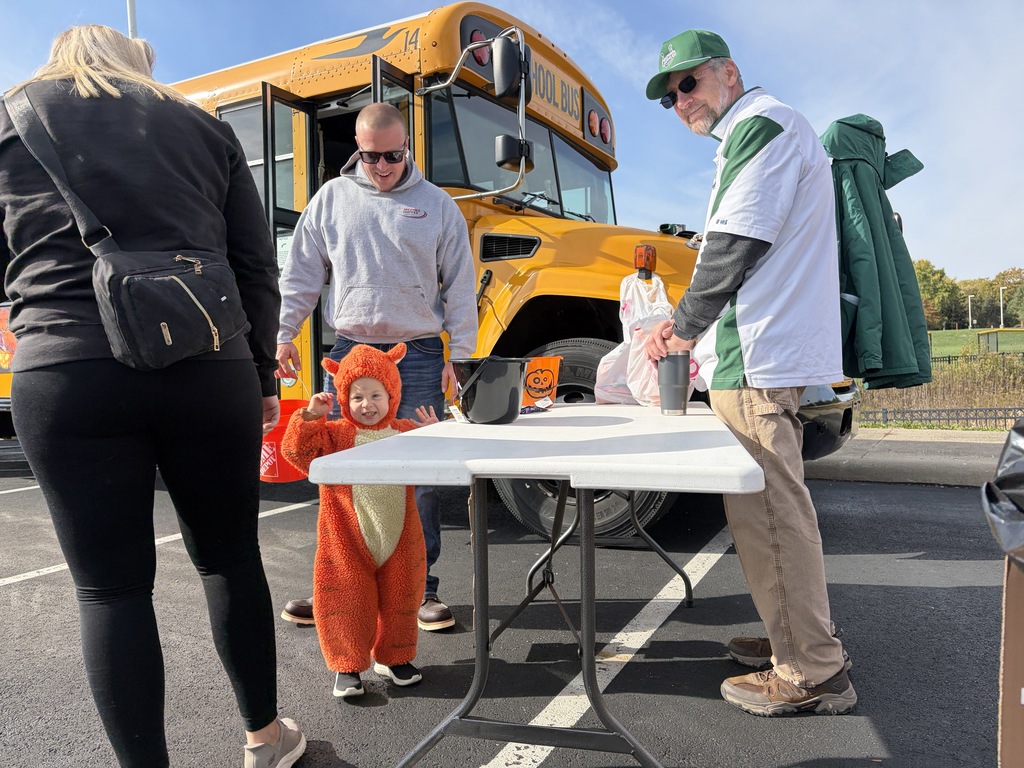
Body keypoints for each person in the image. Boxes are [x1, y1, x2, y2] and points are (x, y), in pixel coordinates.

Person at [0, 25, 305, 767]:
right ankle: (265, 739)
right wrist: (263, 376)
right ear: (142, 64)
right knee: (230, 557)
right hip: (207, 361)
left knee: (110, 591)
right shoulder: (202, 126)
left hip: (66, 367)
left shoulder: (11, 119)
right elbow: (255, 265)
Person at [642, 29, 857, 717]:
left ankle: (812, 670)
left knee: (768, 512)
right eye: (670, 95)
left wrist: (680, 327)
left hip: (756, 354)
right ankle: (794, 638)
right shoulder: (766, 130)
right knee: (775, 508)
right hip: (764, 351)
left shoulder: (760, 126)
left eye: (689, 83)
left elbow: (734, 244)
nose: (681, 100)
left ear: (727, 74)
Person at [276, 102, 478, 633]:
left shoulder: (436, 205)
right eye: (371, 157)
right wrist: (281, 334)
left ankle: (419, 591)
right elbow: (300, 273)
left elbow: (459, 283)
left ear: (406, 147)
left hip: (416, 354)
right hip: (349, 352)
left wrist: (459, 356)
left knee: (418, 477)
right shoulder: (332, 200)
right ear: (357, 151)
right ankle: (337, 586)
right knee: (339, 471)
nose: (383, 167)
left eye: (392, 155)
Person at [281, 344, 438, 698]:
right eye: (357, 397)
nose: (367, 405)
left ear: (392, 394)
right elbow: (298, 453)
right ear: (343, 398)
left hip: (399, 537)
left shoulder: (405, 431)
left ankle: (395, 656)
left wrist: (432, 433)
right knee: (346, 601)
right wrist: (310, 417)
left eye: (376, 395)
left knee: (403, 597)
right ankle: (347, 665)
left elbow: (436, 463)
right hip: (347, 540)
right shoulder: (335, 435)